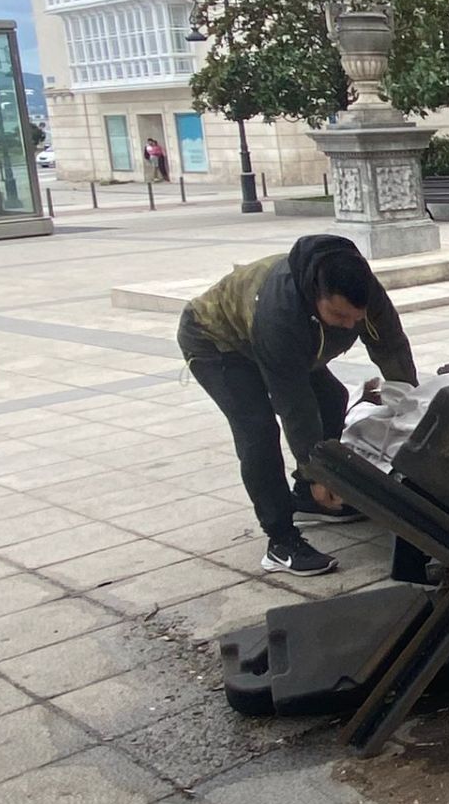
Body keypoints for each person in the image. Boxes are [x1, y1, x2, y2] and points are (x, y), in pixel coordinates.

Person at [177, 235, 418, 576]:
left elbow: (390, 347)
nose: (350, 325)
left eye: (356, 318)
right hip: (217, 341)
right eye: (339, 315)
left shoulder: (364, 288)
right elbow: (295, 405)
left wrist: (413, 407)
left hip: (284, 344)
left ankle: (307, 497)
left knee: (333, 397)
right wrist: (316, 468)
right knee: (258, 430)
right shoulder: (281, 313)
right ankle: (281, 540)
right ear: (314, 294)